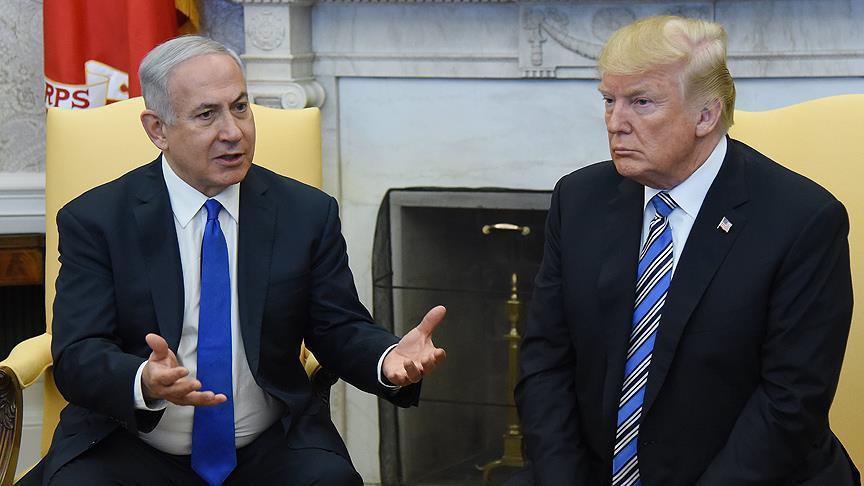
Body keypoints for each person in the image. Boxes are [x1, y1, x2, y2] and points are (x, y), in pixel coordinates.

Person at [23, 35, 446, 486]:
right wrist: (142, 379)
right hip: (131, 442)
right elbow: (79, 353)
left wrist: (386, 358)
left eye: (240, 107)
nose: (234, 132)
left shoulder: (305, 212)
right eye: (207, 114)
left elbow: (337, 327)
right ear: (157, 129)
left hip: (267, 445)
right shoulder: (97, 220)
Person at [515, 15, 860, 486]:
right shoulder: (578, 200)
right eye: (609, 100)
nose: (616, 124)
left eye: (641, 102)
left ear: (706, 116)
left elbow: (790, 403)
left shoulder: (803, 220)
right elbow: (545, 364)